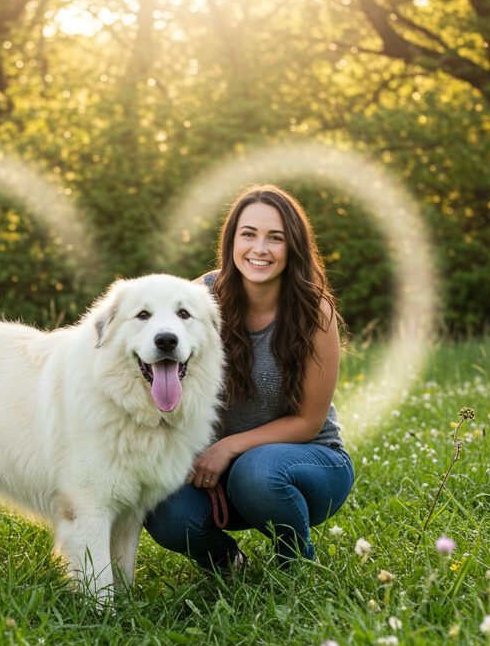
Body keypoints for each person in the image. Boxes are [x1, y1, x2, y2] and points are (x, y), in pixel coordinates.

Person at [145, 183, 354, 571]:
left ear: (292, 247)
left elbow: (308, 423)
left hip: (306, 464)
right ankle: (227, 562)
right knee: (160, 507)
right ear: (231, 241)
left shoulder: (314, 310)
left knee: (255, 471)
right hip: (215, 473)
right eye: (249, 235)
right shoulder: (198, 300)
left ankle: (296, 561)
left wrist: (227, 447)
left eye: (275, 238)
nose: (260, 248)